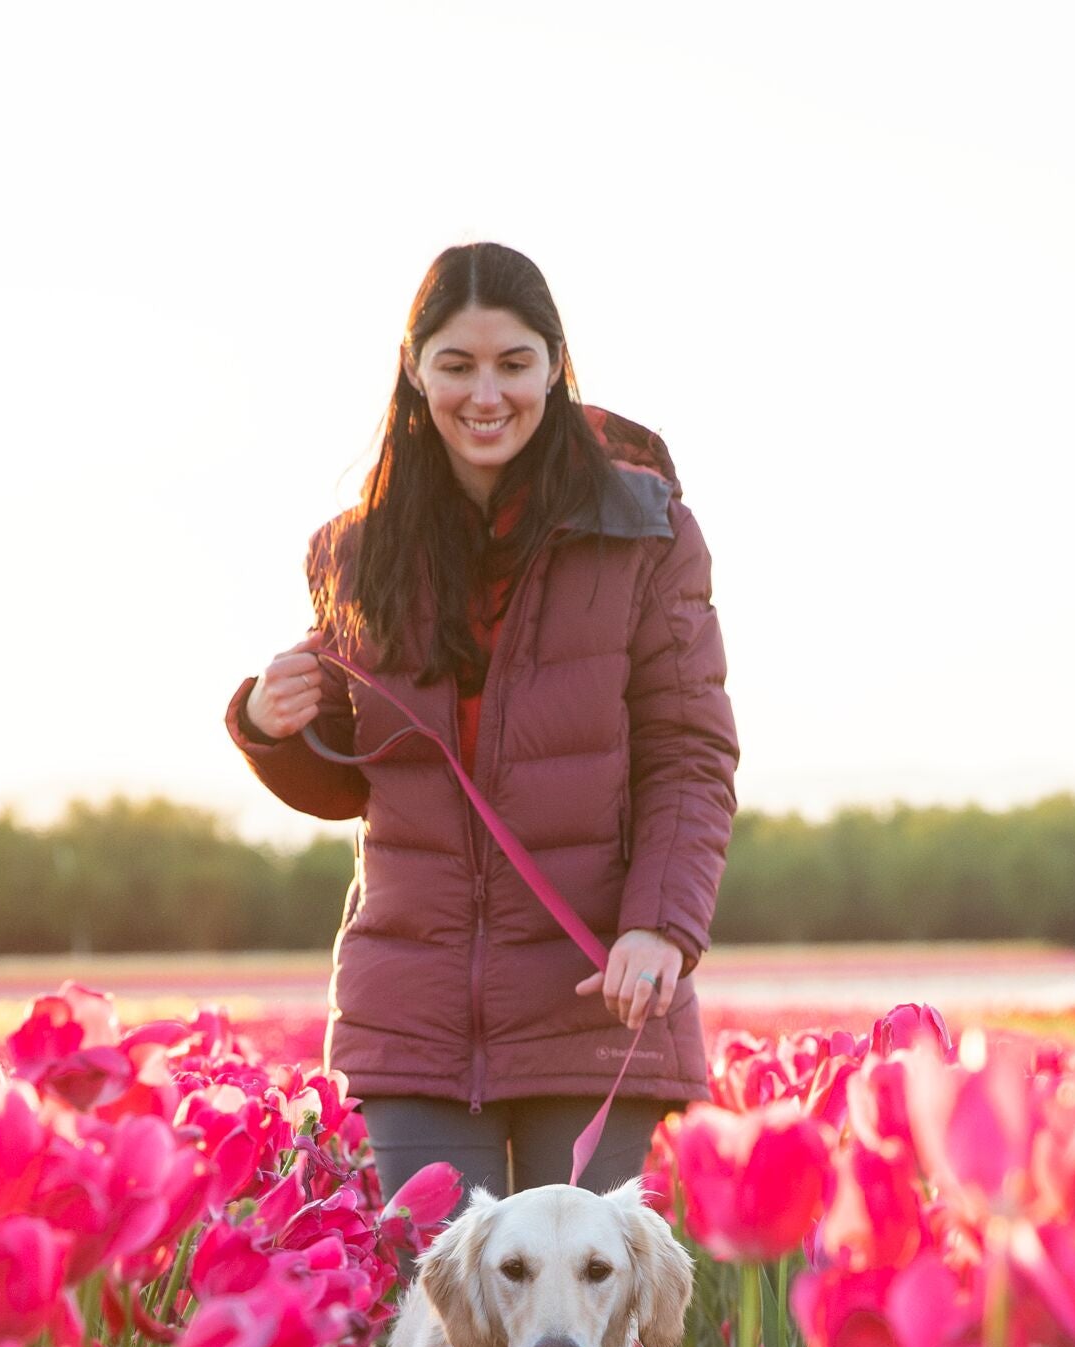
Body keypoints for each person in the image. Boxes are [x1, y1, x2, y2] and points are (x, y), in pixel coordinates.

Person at [227, 240, 736, 1204]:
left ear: (554, 364)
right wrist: (267, 724)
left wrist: (660, 929)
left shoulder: (646, 533)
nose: (485, 395)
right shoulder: (357, 552)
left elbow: (690, 757)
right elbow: (350, 778)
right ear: (416, 373)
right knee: (438, 1333)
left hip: (593, 997)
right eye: (456, 366)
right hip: (415, 1015)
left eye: (513, 364)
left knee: (580, 1336)